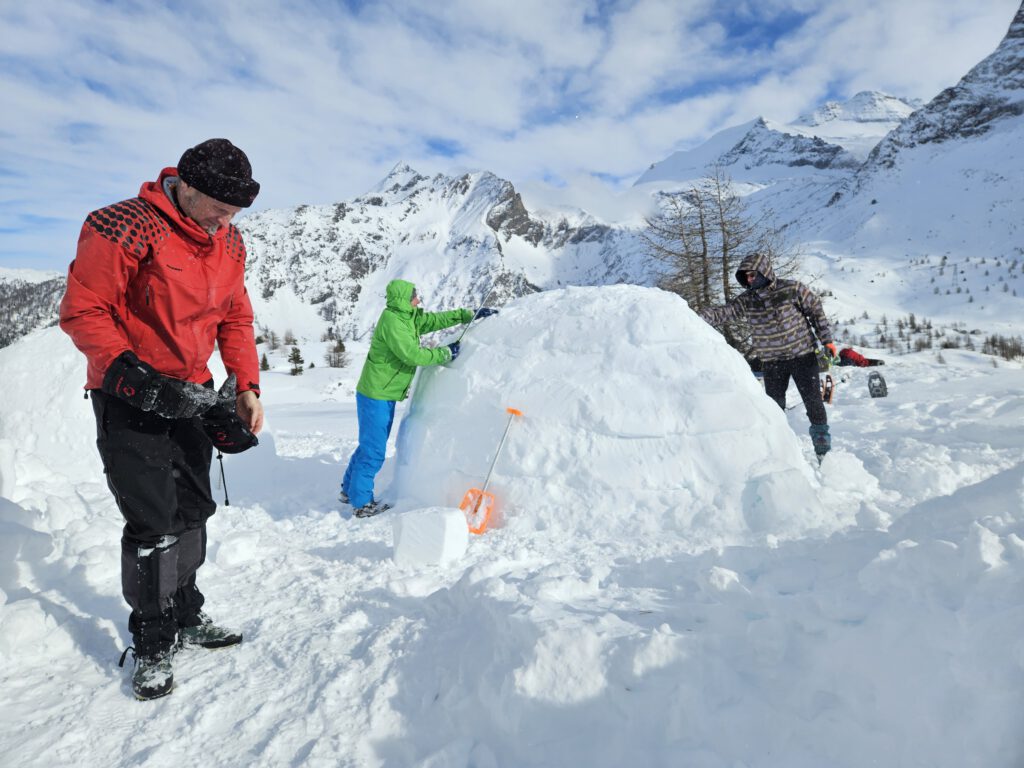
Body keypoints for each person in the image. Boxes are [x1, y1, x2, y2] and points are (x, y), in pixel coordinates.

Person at [59, 138, 264, 701]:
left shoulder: (231, 240)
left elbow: (236, 316)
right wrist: (132, 376)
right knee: (154, 521)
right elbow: (83, 310)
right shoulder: (121, 225)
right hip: (130, 393)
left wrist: (246, 385)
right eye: (220, 209)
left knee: (195, 508)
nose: (228, 221)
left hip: (193, 395)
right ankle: (151, 639)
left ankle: (185, 610)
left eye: (235, 212)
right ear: (187, 188)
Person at [341, 280, 497, 517]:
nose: (418, 300)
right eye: (415, 296)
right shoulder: (393, 322)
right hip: (376, 394)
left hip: (383, 392)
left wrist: (469, 315)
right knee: (373, 450)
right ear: (405, 299)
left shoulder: (407, 317)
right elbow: (412, 355)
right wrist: (445, 353)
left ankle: (349, 490)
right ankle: (361, 504)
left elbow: (435, 320)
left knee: (369, 445)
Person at [697, 253, 837, 460]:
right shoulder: (747, 301)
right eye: (746, 277)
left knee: (813, 403)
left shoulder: (792, 289)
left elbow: (815, 310)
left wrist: (827, 340)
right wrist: (691, 314)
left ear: (765, 272)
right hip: (772, 363)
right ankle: (778, 450)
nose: (750, 280)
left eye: (753, 275)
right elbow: (723, 313)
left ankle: (822, 447)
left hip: (803, 356)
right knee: (773, 408)